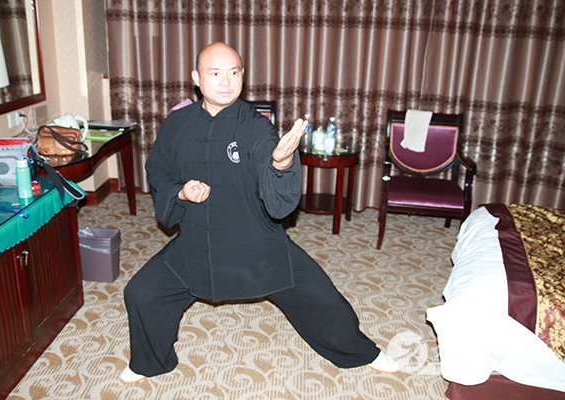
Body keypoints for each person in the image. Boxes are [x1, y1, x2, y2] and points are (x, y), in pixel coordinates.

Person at [120, 41, 399, 383]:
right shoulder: (177, 124)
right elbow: (159, 169)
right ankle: (148, 362)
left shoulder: (255, 126)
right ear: (196, 77)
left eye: (234, 72)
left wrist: (280, 163)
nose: (226, 81)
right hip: (196, 243)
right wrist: (180, 191)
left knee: (320, 296)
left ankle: (362, 352)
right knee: (141, 292)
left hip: (255, 243)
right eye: (215, 73)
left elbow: (272, 170)